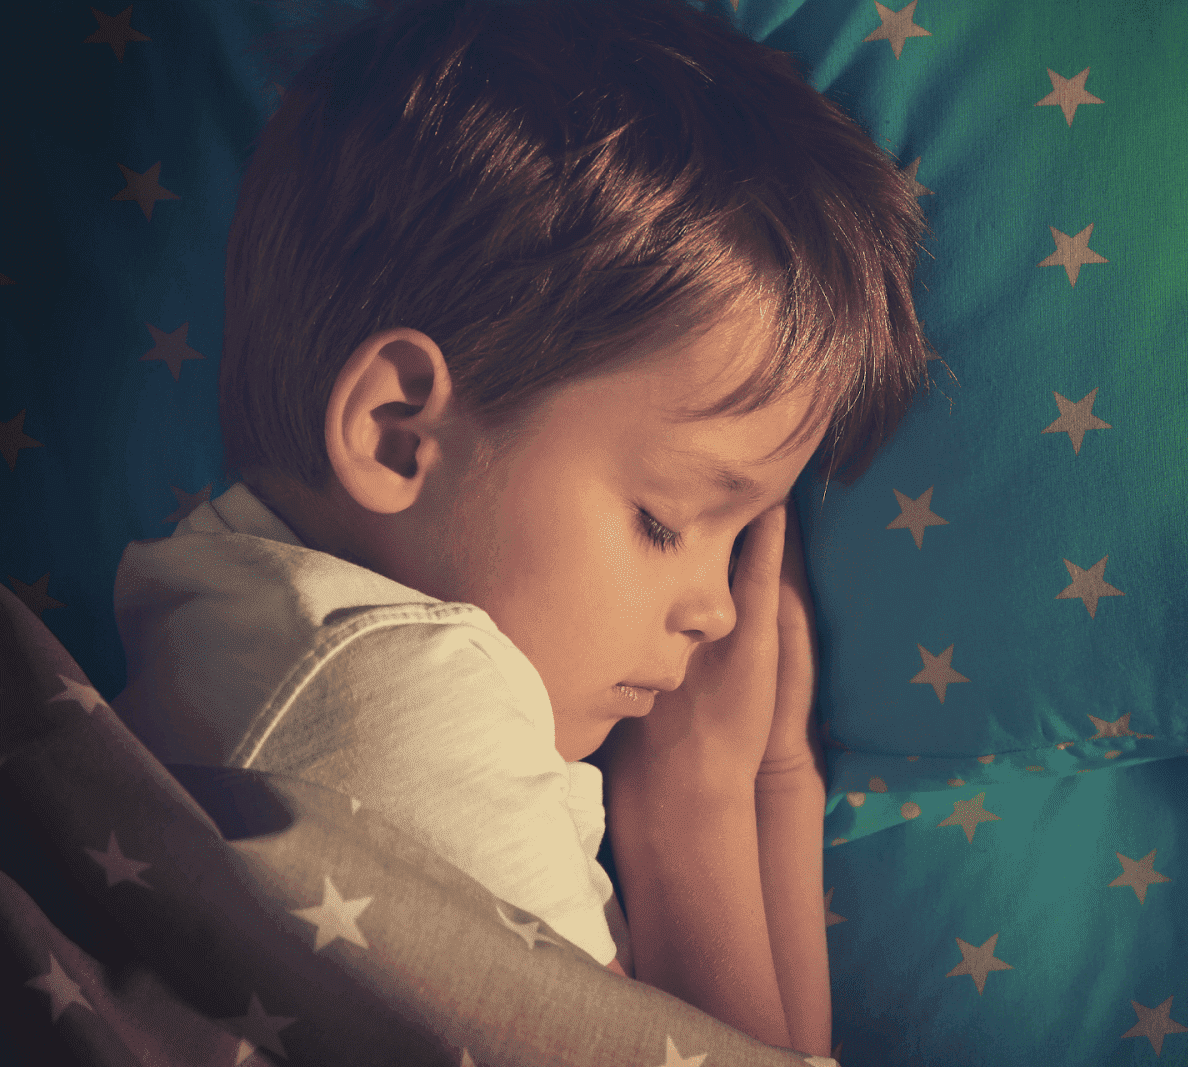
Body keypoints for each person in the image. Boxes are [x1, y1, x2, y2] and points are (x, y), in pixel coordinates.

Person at [110, 0, 936, 1056]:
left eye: (741, 537)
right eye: (666, 518)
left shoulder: (231, 616)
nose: (720, 605)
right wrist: (693, 807)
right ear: (399, 430)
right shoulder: (403, 692)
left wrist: (769, 774)